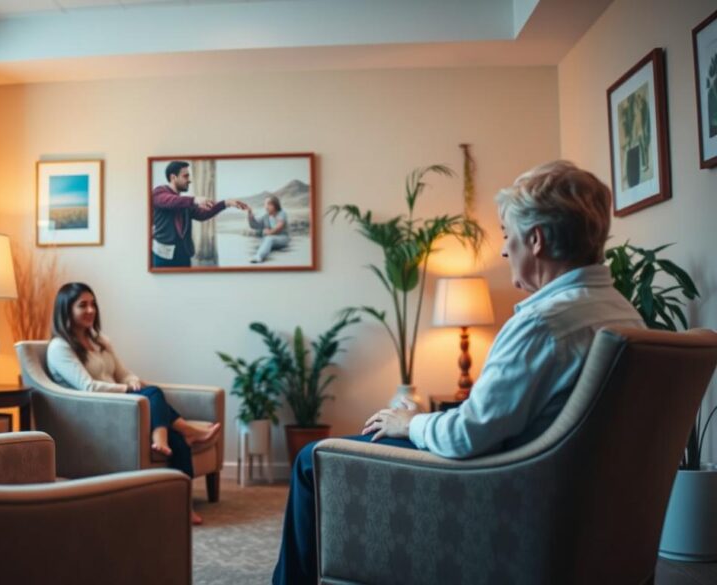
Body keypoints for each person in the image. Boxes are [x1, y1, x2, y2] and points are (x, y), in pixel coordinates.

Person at [271, 160, 645, 585]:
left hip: (501, 500)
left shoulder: (544, 323)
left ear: (536, 240)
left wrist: (410, 422)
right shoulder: (624, 315)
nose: (504, 251)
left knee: (310, 460)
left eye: (508, 236)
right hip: (566, 502)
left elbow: (467, 436)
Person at [46, 282, 222, 525]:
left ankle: (183, 503)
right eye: (82, 305)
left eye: (93, 304)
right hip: (101, 408)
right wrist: (128, 389)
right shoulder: (59, 348)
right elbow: (87, 386)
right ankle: (178, 432)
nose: (90, 310)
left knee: (170, 428)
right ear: (66, 310)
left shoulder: (99, 341)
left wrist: (132, 382)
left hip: (123, 404)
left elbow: (123, 372)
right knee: (153, 394)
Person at [152, 160, 246, 267]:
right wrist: (194, 200)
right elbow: (171, 201)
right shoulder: (158, 193)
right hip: (162, 258)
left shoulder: (184, 202)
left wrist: (226, 203)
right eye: (185, 176)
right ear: (173, 177)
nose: (189, 180)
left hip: (184, 256)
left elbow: (202, 214)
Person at [246, 195, 290, 263]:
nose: (266, 207)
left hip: (282, 238)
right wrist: (250, 215)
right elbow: (254, 226)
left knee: (269, 238)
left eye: (269, 204)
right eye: (265, 204)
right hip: (270, 238)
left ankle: (258, 257)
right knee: (266, 238)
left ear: (275, 205)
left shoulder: (281, 213)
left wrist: (269, 232)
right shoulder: (265, 216)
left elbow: (279, 226)